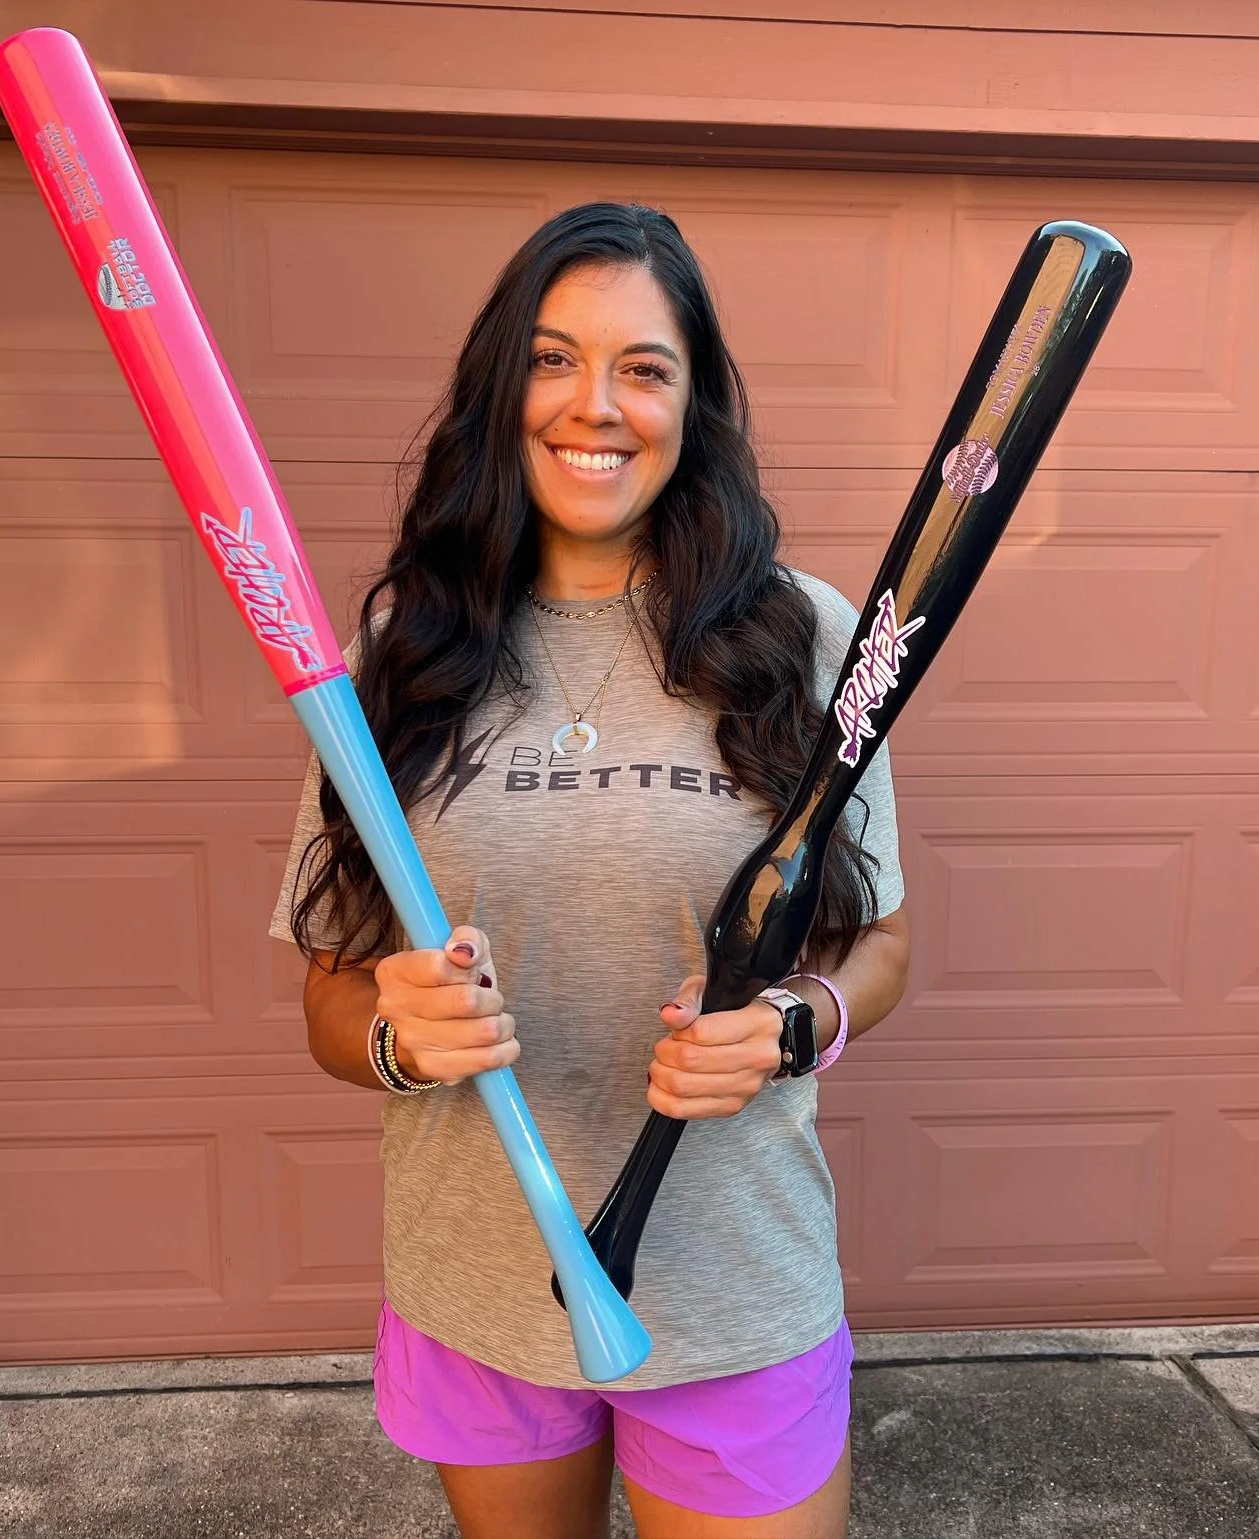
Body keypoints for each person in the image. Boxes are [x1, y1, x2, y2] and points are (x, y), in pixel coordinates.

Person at [270, 202, 910, 1539]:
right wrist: (397, 1036)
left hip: (733, 1293)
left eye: (644, 367)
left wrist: (795, 1024)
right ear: (501, 385)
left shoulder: (809, 638)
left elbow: (881, 946)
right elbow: (332, 995)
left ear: (693, 406)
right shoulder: (399, 654)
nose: (596, 405)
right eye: (554, 358)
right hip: (479, 1290)